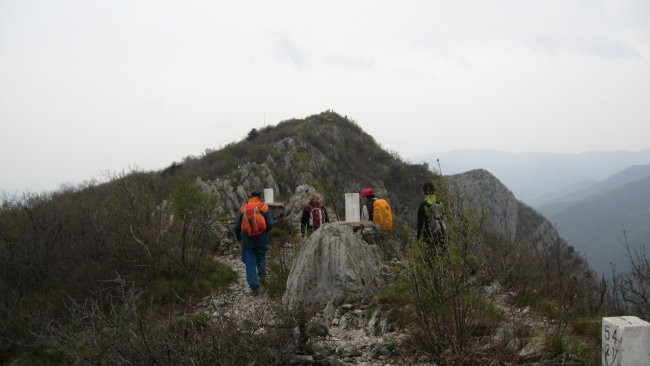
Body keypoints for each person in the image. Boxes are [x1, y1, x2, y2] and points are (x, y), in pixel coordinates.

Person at [234, 190, 274, 296]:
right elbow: (270, 223)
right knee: (261, 258)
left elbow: (236, 227)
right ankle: (262, 277)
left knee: (250, 264)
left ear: (250, 197)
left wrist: (239, 238)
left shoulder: (243, 208)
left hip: (247, 241)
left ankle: (254, 288)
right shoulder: (263, 207)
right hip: (262, 240)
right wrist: (264, 232)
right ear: (259, 197)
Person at [416, 182, 446, 248]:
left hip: (430, 238)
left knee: (430, 257)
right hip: (443, 236)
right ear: (434, 191)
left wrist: (418, 240)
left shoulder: (423, 205)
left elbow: (420, 225)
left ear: (424, 192)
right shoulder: (440, 203)